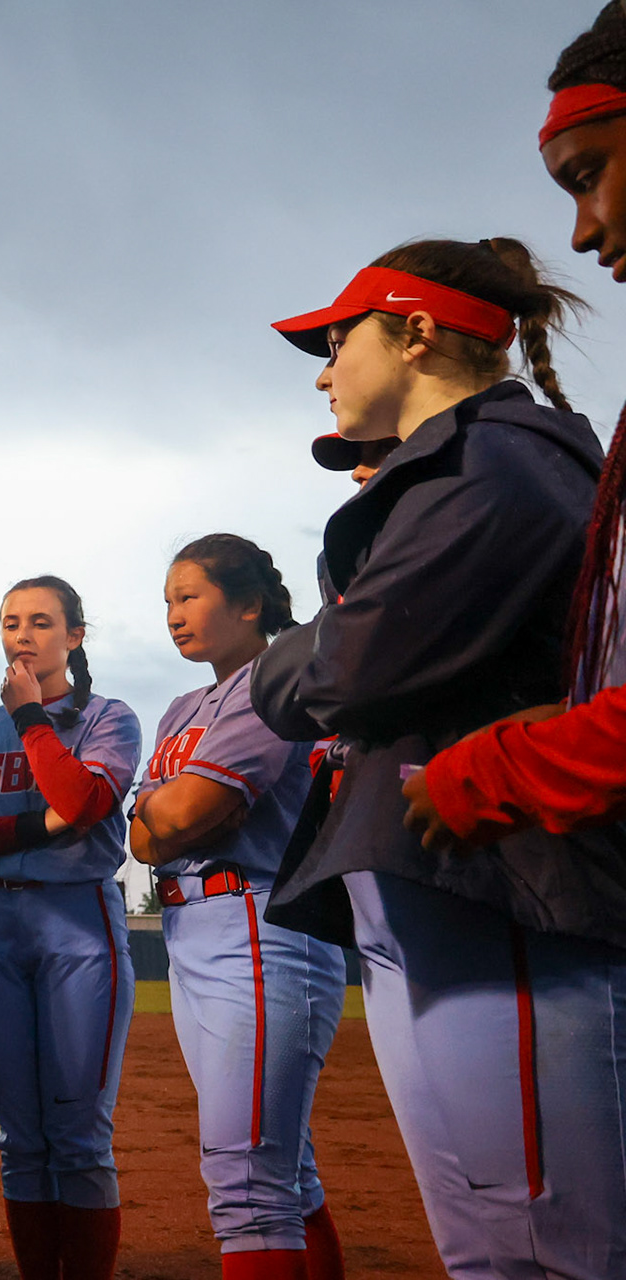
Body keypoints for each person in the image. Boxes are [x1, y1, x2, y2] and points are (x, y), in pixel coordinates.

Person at [252, 237, 626, 1278]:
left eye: (338, 341)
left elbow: (344, 670)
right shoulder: (458, 467)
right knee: (485, 1241)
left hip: (506, 875)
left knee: (561, 1241)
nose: (324, 372)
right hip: (426, 864)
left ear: (416, 332)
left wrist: (289, 662)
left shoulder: (500, 459)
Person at [406, 1, 626, 846]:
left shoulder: (499, 458)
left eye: (588, 172)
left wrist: (503, 766)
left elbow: (347, 670)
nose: (579, 233)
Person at [130, 537, 346, 1280]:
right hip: (194, 931)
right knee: (284, 1170)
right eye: (167, 601)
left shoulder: (274, 682)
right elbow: (146, 836)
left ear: (249, 605)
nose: (173, 615)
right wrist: (175, 814)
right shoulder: (183, 707)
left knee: (249, 1181)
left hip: (259, 924)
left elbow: (189, 809)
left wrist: (173, 812)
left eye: (189, 597)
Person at [0, 575, 139, 1280]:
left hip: (77, 919)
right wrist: (32, 828)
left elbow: (79, 801)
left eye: (42, 622)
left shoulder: (109, 717)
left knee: (78, 1136)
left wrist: (32, 721)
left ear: (75, 636)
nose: (23, 634)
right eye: (11, 621)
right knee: (19, 1139)